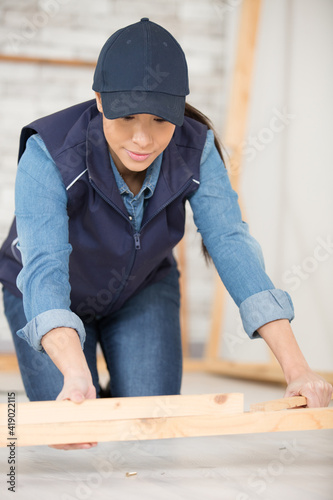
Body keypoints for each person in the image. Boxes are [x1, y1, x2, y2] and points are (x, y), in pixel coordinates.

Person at [0, 18, 331, 451]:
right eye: (127, 116)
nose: (142, 138)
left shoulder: (197, 147)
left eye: (160, 119)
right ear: (100, 100)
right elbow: (43, 270)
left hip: (143, 288)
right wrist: (76, 374)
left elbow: (231, 244)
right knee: (76, 427)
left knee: (148, 428)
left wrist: (298, 369)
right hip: (46, 296)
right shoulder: (49, 152)